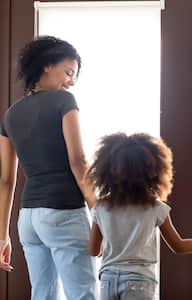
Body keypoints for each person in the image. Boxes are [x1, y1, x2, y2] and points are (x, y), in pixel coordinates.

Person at [0, 36, 98, 299]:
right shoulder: (64, 102)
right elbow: (78, 162)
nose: (71, 81)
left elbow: (6, 181)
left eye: (74, 77)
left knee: (42, 294)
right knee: (82, 294)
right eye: (68, 72)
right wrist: (99, 211)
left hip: (28, 220)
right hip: (63, 211)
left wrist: (2, 236)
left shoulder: (10, 115)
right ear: (46, 65)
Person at [86, 132, 192, 300]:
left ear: (107, 171)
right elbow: (178, 246)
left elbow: (93, 250)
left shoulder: (101, 207)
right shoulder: (155, 208)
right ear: (153, 172)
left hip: (107, 280)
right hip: (139, 280)